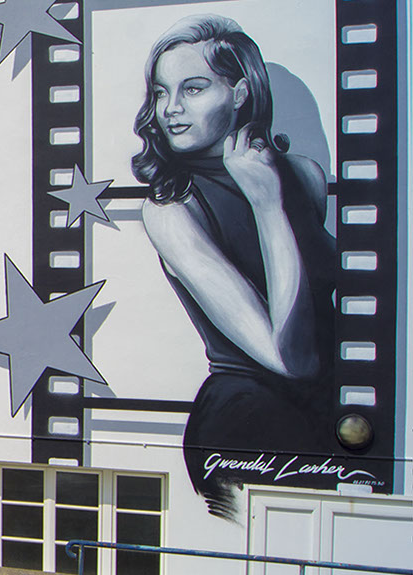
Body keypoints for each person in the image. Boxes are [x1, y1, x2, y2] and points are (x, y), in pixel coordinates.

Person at [132, 15, 337, 519]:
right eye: (161, 93)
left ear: (241, 92)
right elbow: (291, 357)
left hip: (329, 416)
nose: (171, 109)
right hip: (245, 423)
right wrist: (268, 206)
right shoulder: (171, 209)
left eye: (193, 89)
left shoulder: (304, 176)